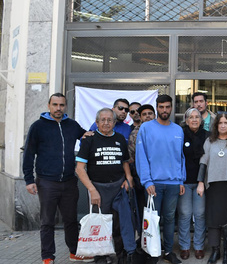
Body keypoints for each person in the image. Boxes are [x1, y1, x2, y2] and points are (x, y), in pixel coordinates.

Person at [23, 93, 93, 264]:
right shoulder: (38, 126)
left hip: (69, 181)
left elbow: (86, 135)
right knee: (47, 221)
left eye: (61, 105)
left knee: (70, 220)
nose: (58, 108)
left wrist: (97, 133)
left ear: (66, 106)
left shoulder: (72, 125)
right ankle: (47, 256)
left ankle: (74, 252)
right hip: (47, 182)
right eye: (55, 105)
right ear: (49, 106)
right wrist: (29, 180)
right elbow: (29, 154)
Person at [75, 108, 134, 264]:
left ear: (114, 123)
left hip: (118, 188)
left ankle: (121, 256)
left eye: (110, 120)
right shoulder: (89, 140)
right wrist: (92, 190)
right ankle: (100, 257)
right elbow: (79, 169)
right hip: (98, 189)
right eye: (103, 120)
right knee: (99, 225)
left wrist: (128, 178)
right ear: (97, 122)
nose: (106, 123)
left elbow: (125, 162)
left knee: (120, 224)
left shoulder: (121, 138)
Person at [136, 94, 186, 264]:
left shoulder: (178, 130)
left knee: (170, 219)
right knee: (153, 220)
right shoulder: (146, 128)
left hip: (173, 183)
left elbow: (181, 158)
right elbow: (141, 156)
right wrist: (147, 181)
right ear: (157, 107)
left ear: (171, 108)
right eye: (161, 107)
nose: (165, 110)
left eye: (168, 107)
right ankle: (152, 252)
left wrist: (181, 180)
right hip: (154, 184)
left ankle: (168, 252)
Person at [196, 112, 227, 264]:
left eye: (226, 123)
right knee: (213, 220)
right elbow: (203, 163)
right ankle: (215, 250)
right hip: (213, 186)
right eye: (220, 123)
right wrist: (200, 183)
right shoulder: (209, 141)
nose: (223, 125)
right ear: (216, 125)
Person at [178, 108, 209, 260]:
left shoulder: (207, 136)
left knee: (200, 214)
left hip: (200, 182)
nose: (195, 119)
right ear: (186, 119)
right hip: (184, 181)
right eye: (191, 117)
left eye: (197, 117)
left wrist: (201, 181)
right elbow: (176, 158)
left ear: (201, 120)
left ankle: (199, 246)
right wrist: (178, 181)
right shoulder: (179, 134)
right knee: (184, 214)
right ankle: (184, 246)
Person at [127, 104, 156, 237]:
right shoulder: (135, 133)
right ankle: (144, 241)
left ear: (154, 115)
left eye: (150, 113)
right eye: (144, 114)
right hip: (141, 180)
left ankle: (157, 240)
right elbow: (132, 158)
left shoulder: (162, 129)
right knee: (143, 212)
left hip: (160, 178)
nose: (147, 116)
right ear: (140, 117)